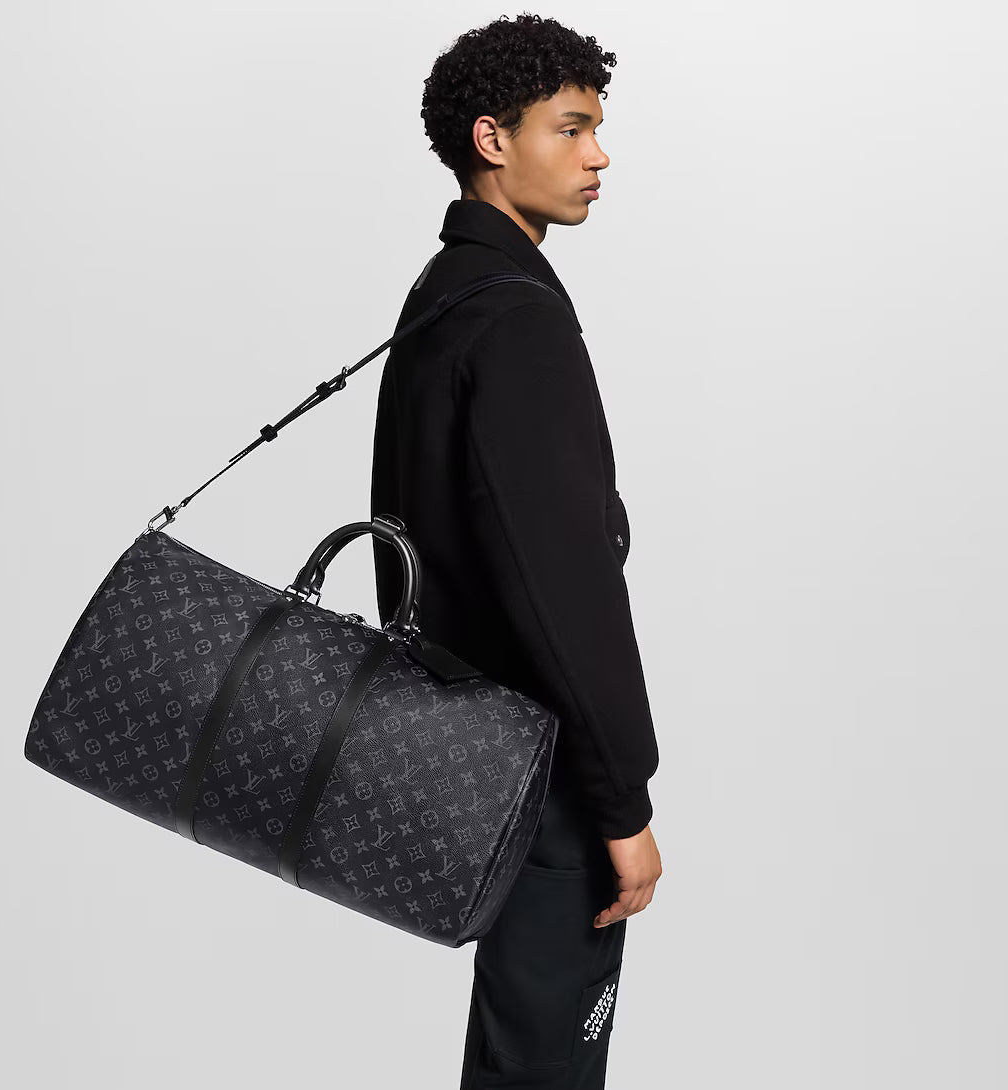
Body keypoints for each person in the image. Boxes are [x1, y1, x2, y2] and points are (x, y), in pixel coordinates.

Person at [369, 13, 662, 1087]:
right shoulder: (516, 319)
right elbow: (561, 589)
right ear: (492, 140)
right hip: (542, 768)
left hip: (466, 747)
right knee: (543, 1066)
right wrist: (622, 802)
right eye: (571, 128)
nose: (599, 155)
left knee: (512, 1056)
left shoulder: (444, 291)